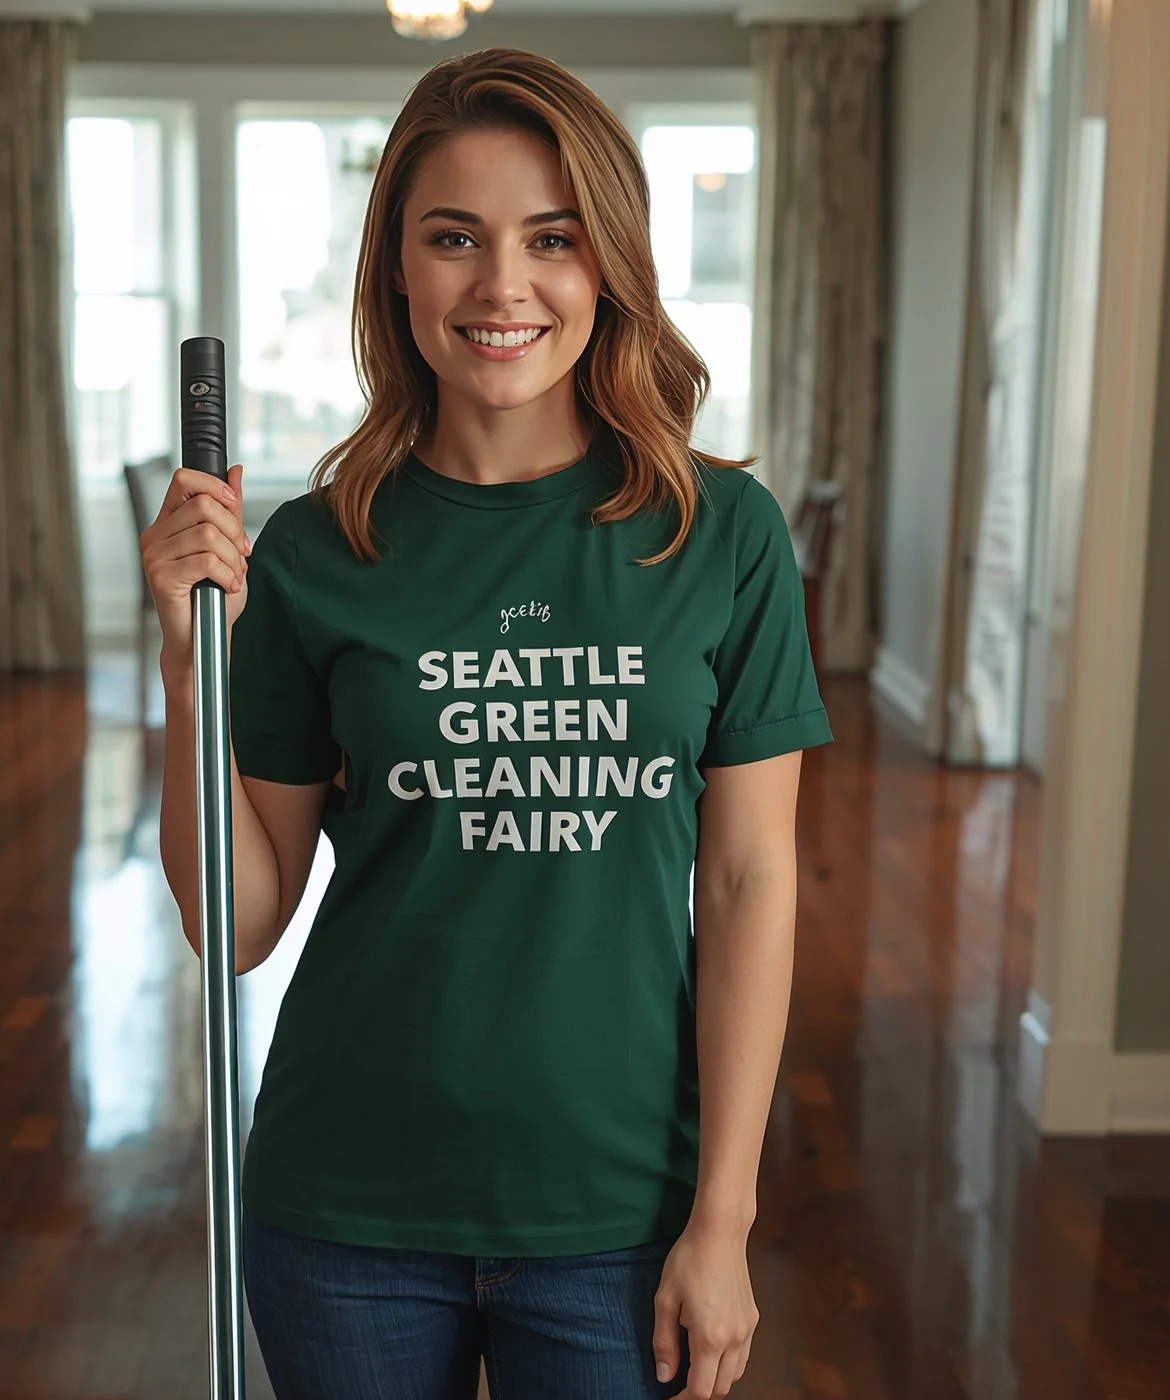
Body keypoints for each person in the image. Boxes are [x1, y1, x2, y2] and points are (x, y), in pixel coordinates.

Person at [144, 46, 829, 1400]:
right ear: (396, 270)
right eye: (453, 238)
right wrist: (186, 674)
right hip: (347, 1202)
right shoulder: (314, 552)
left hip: (620, 1214)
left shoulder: (720, 536)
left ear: (608, 266)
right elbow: (237, 921)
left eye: (551, 240)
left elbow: (748, 883)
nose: (502, 285)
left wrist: (725, 1217)